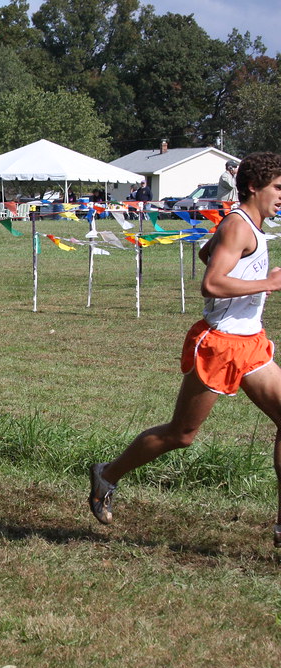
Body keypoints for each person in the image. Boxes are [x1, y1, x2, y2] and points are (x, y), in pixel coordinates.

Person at [87, 152, 281, 547]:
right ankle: (107, 474)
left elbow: (208, 254)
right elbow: (211, 283)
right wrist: (270, 284)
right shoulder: (238, 227)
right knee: (182, 434)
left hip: (250, 342)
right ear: (254, 187)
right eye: (277, 187)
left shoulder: (247, 227)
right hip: (222, 344)